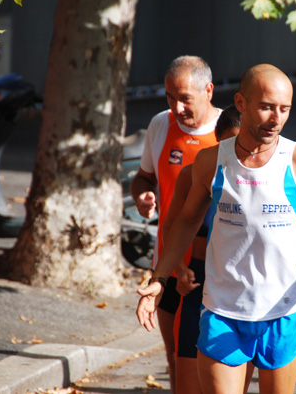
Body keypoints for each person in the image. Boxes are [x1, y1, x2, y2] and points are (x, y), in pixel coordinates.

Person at [136, 64, 296, 394]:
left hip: (282, 312)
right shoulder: (212, 162)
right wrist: (159, 277)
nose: (276, 119)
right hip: (223, 310)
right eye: (267, 107)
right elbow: (185, 223)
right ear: (241, 103)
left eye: (284, 109)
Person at [130, 55, 221, 393]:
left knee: (210, 362)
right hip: (167, 264)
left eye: (185, 98)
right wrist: (143, 197)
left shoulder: (230, 130)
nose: (176, 107)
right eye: (170, 97)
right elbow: (143, 178)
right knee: (174, 358)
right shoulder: (160, 124)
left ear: (208, 90)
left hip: (212, 267)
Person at [160, 105, 254, 393]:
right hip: (198, 283)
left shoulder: (259, 178)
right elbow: (172, 227)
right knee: (187, 382)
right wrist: (178, 269)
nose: (238, 151)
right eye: (230, 142)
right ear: (217, 139)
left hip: (241, 292)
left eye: (244, 142)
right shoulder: (195, 174)